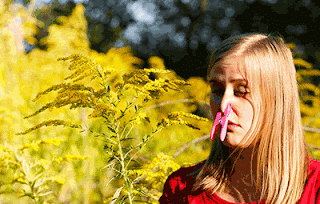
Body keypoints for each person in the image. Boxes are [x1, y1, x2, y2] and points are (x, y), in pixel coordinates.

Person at [159, 33, 320, 204]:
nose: (223, 106)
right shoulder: (183, 188)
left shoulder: (314, 188)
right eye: (217, 90)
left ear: (277, 99)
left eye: (241, 91)